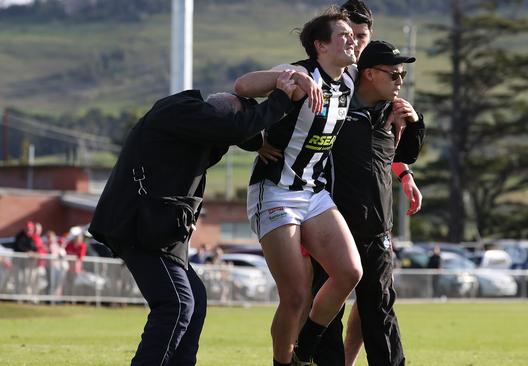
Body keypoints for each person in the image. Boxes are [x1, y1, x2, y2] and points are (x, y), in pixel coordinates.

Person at [88, 73, 298, 366]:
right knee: (175, 304)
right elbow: (231, 128)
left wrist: (256, 140)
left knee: (193, 299)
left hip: (153, 228)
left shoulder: (192, 121)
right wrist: (281, 99)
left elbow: (234, 131)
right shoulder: (183, 112)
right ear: (225, 112)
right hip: (140, 226)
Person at [234, 8, 363, 366]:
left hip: (313, 193)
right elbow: (241, 87)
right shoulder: (302, 73)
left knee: (350, 272)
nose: (351, 39)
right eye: (343, 35)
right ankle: (282, 362)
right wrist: (287, 76)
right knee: (294, 296)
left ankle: (304, 351)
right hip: (275, 191)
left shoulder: (349, 81)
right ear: (320, 46)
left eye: (353, 35)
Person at [311, 40, 423, 366]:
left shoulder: (394, 113)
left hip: (377, 231)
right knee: (328, 311)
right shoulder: (335, 109)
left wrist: (415, 124)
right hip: (332, 228)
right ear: (371, 74)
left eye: (402, 74)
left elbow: (406, 155)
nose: (400, 81)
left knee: (380, 309)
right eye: (395, 74)